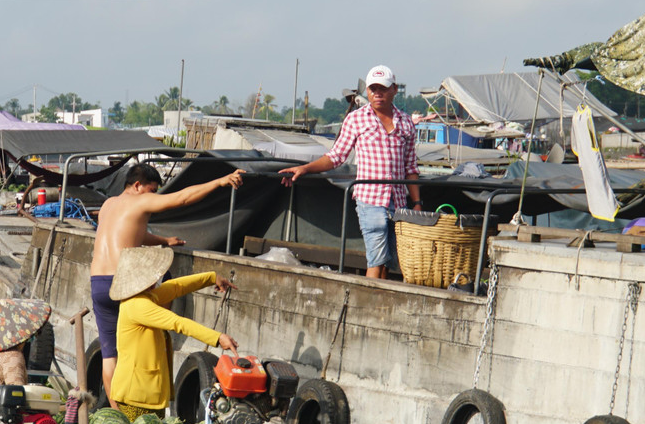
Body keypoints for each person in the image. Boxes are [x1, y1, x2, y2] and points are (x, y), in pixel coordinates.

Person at [89, 162, 244, 405]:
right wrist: (219, 181)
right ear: (138, 185)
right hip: (125, 283)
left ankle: (115, 414)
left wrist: (163, 240)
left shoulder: (108, 205)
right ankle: (143, 403)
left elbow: (128, 232)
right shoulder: (140, 200)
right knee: (143, 345)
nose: (154, 196)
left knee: (110, 355)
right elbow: (182, 198)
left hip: (98, 282)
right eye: (152, 190)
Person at [279, 64, 420, 279]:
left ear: (394, 89)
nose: (377, 94)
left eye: (382, 89)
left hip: (398, 200)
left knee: (389, 261)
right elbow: (335, 157)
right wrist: (305, 168)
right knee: (376, 258)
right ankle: (367, 301)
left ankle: (379, 302)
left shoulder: (406, 122)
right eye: (373, 89)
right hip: (370, 198)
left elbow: (411, 168)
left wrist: (417, 203)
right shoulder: (356, 119)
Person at [109, 246, 237, 421]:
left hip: (147, 393)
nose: (158, 279)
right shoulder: (137, 306)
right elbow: (178, 323)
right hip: (136, 395)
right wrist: (217, 337)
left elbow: (175, 287)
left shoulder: (147, 297)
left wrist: (212, 278)